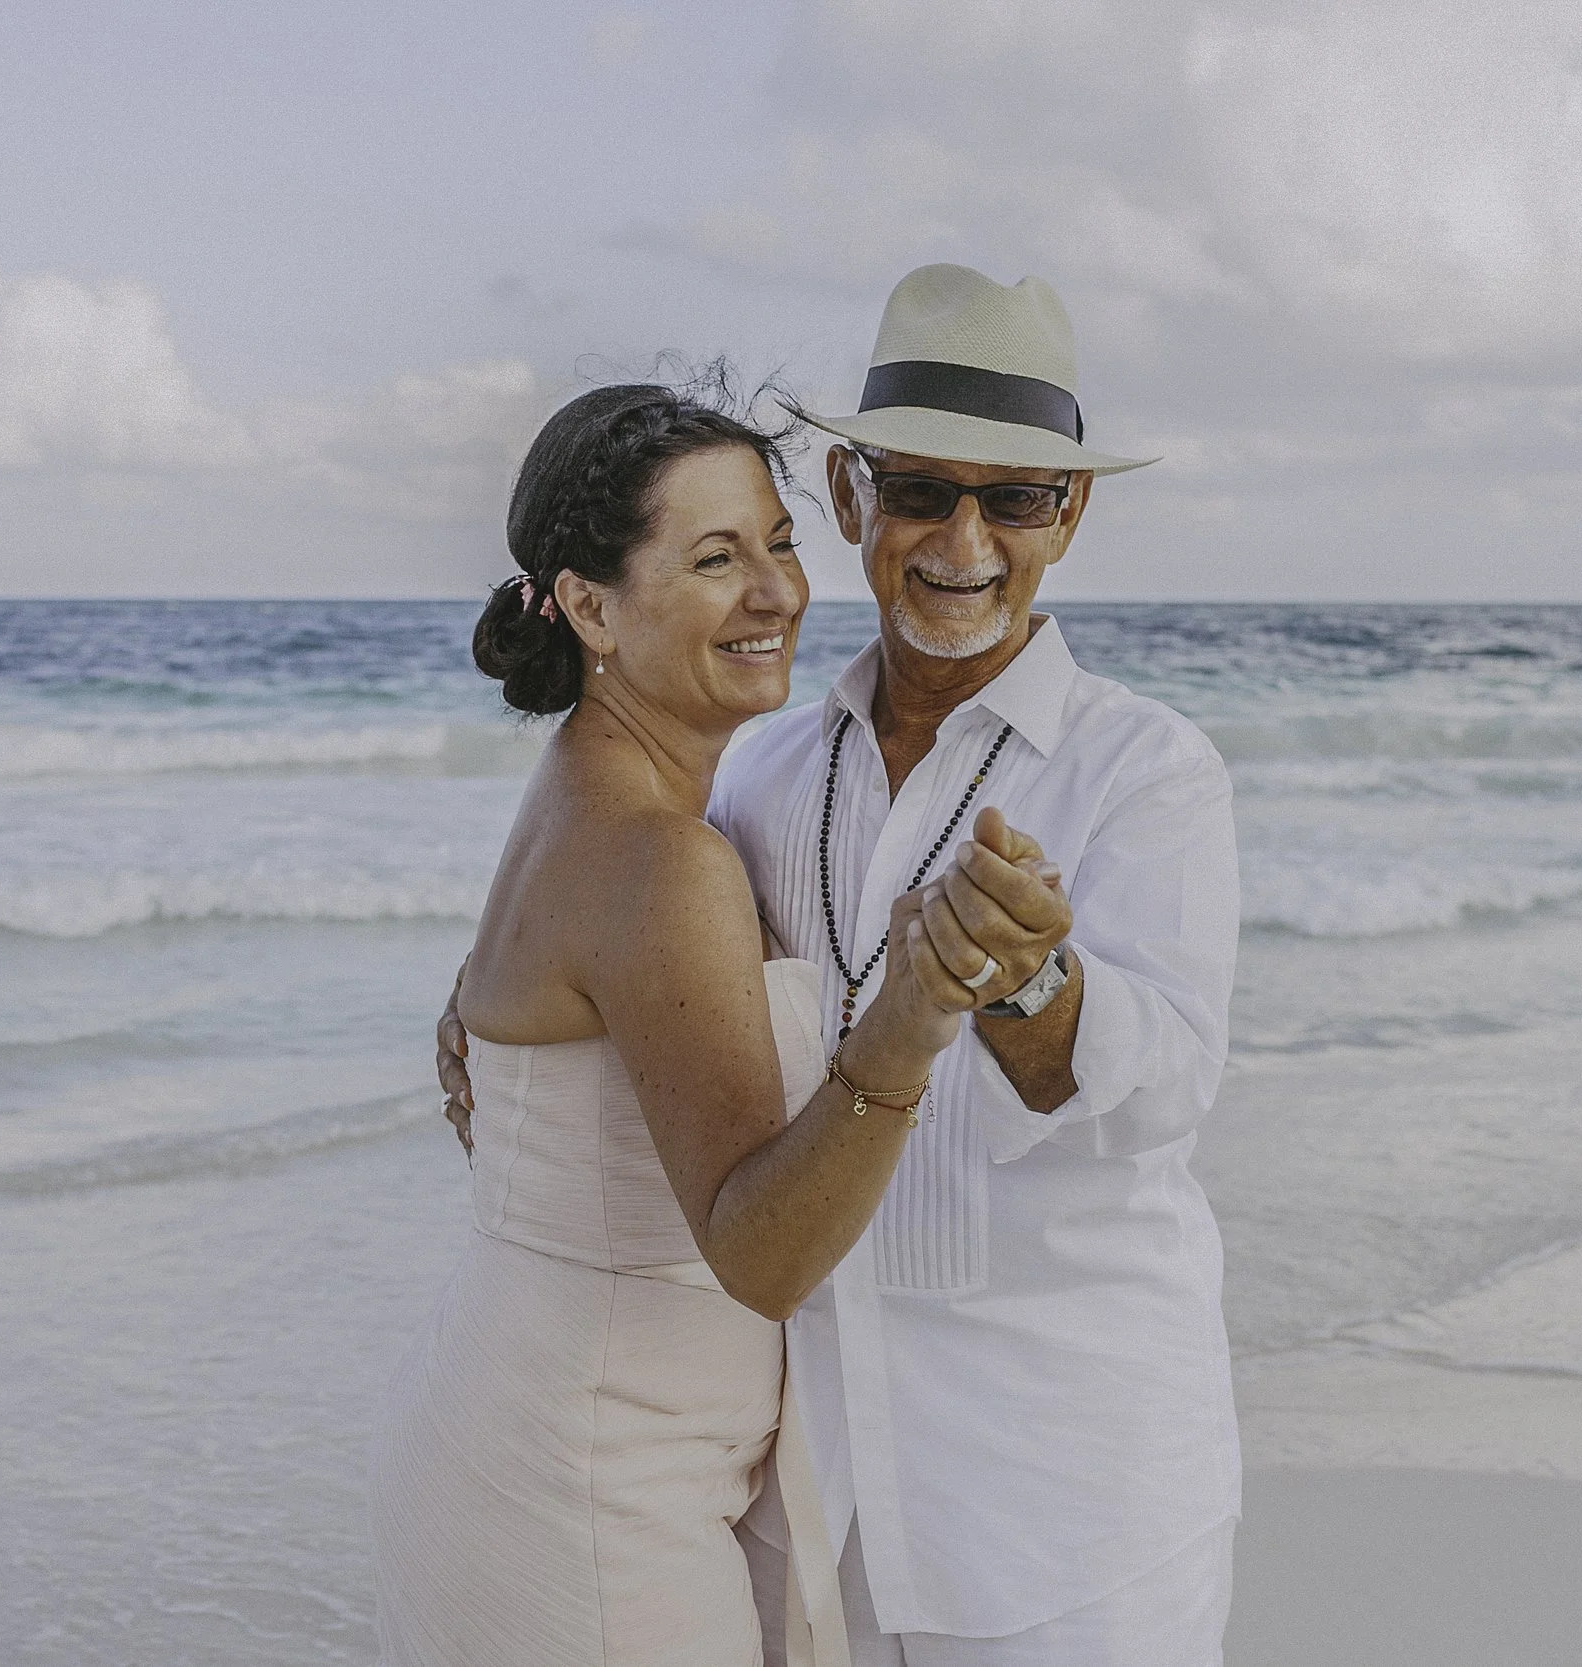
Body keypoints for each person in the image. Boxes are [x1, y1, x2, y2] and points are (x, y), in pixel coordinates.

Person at [440, 267, 1243, 1664]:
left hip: (1064, 1505)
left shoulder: (1149, 770)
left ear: (1073, 515)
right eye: (924, 490)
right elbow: (617, 909)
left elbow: (1165, 1086)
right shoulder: (754, 765)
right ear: (855, 495)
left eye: (1018, 499)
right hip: (810, 1503)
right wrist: (487, 1003)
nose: (965, 541)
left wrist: (1029, 982)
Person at [373, 380, 1063, 1667]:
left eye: (779, 540)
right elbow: (760, 1254)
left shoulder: (607, 789)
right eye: (711, 558)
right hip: (590, 1492)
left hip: (537, 1425)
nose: (776, 593)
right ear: (587, 605)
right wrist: (907, 1020)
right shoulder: (660, 853)